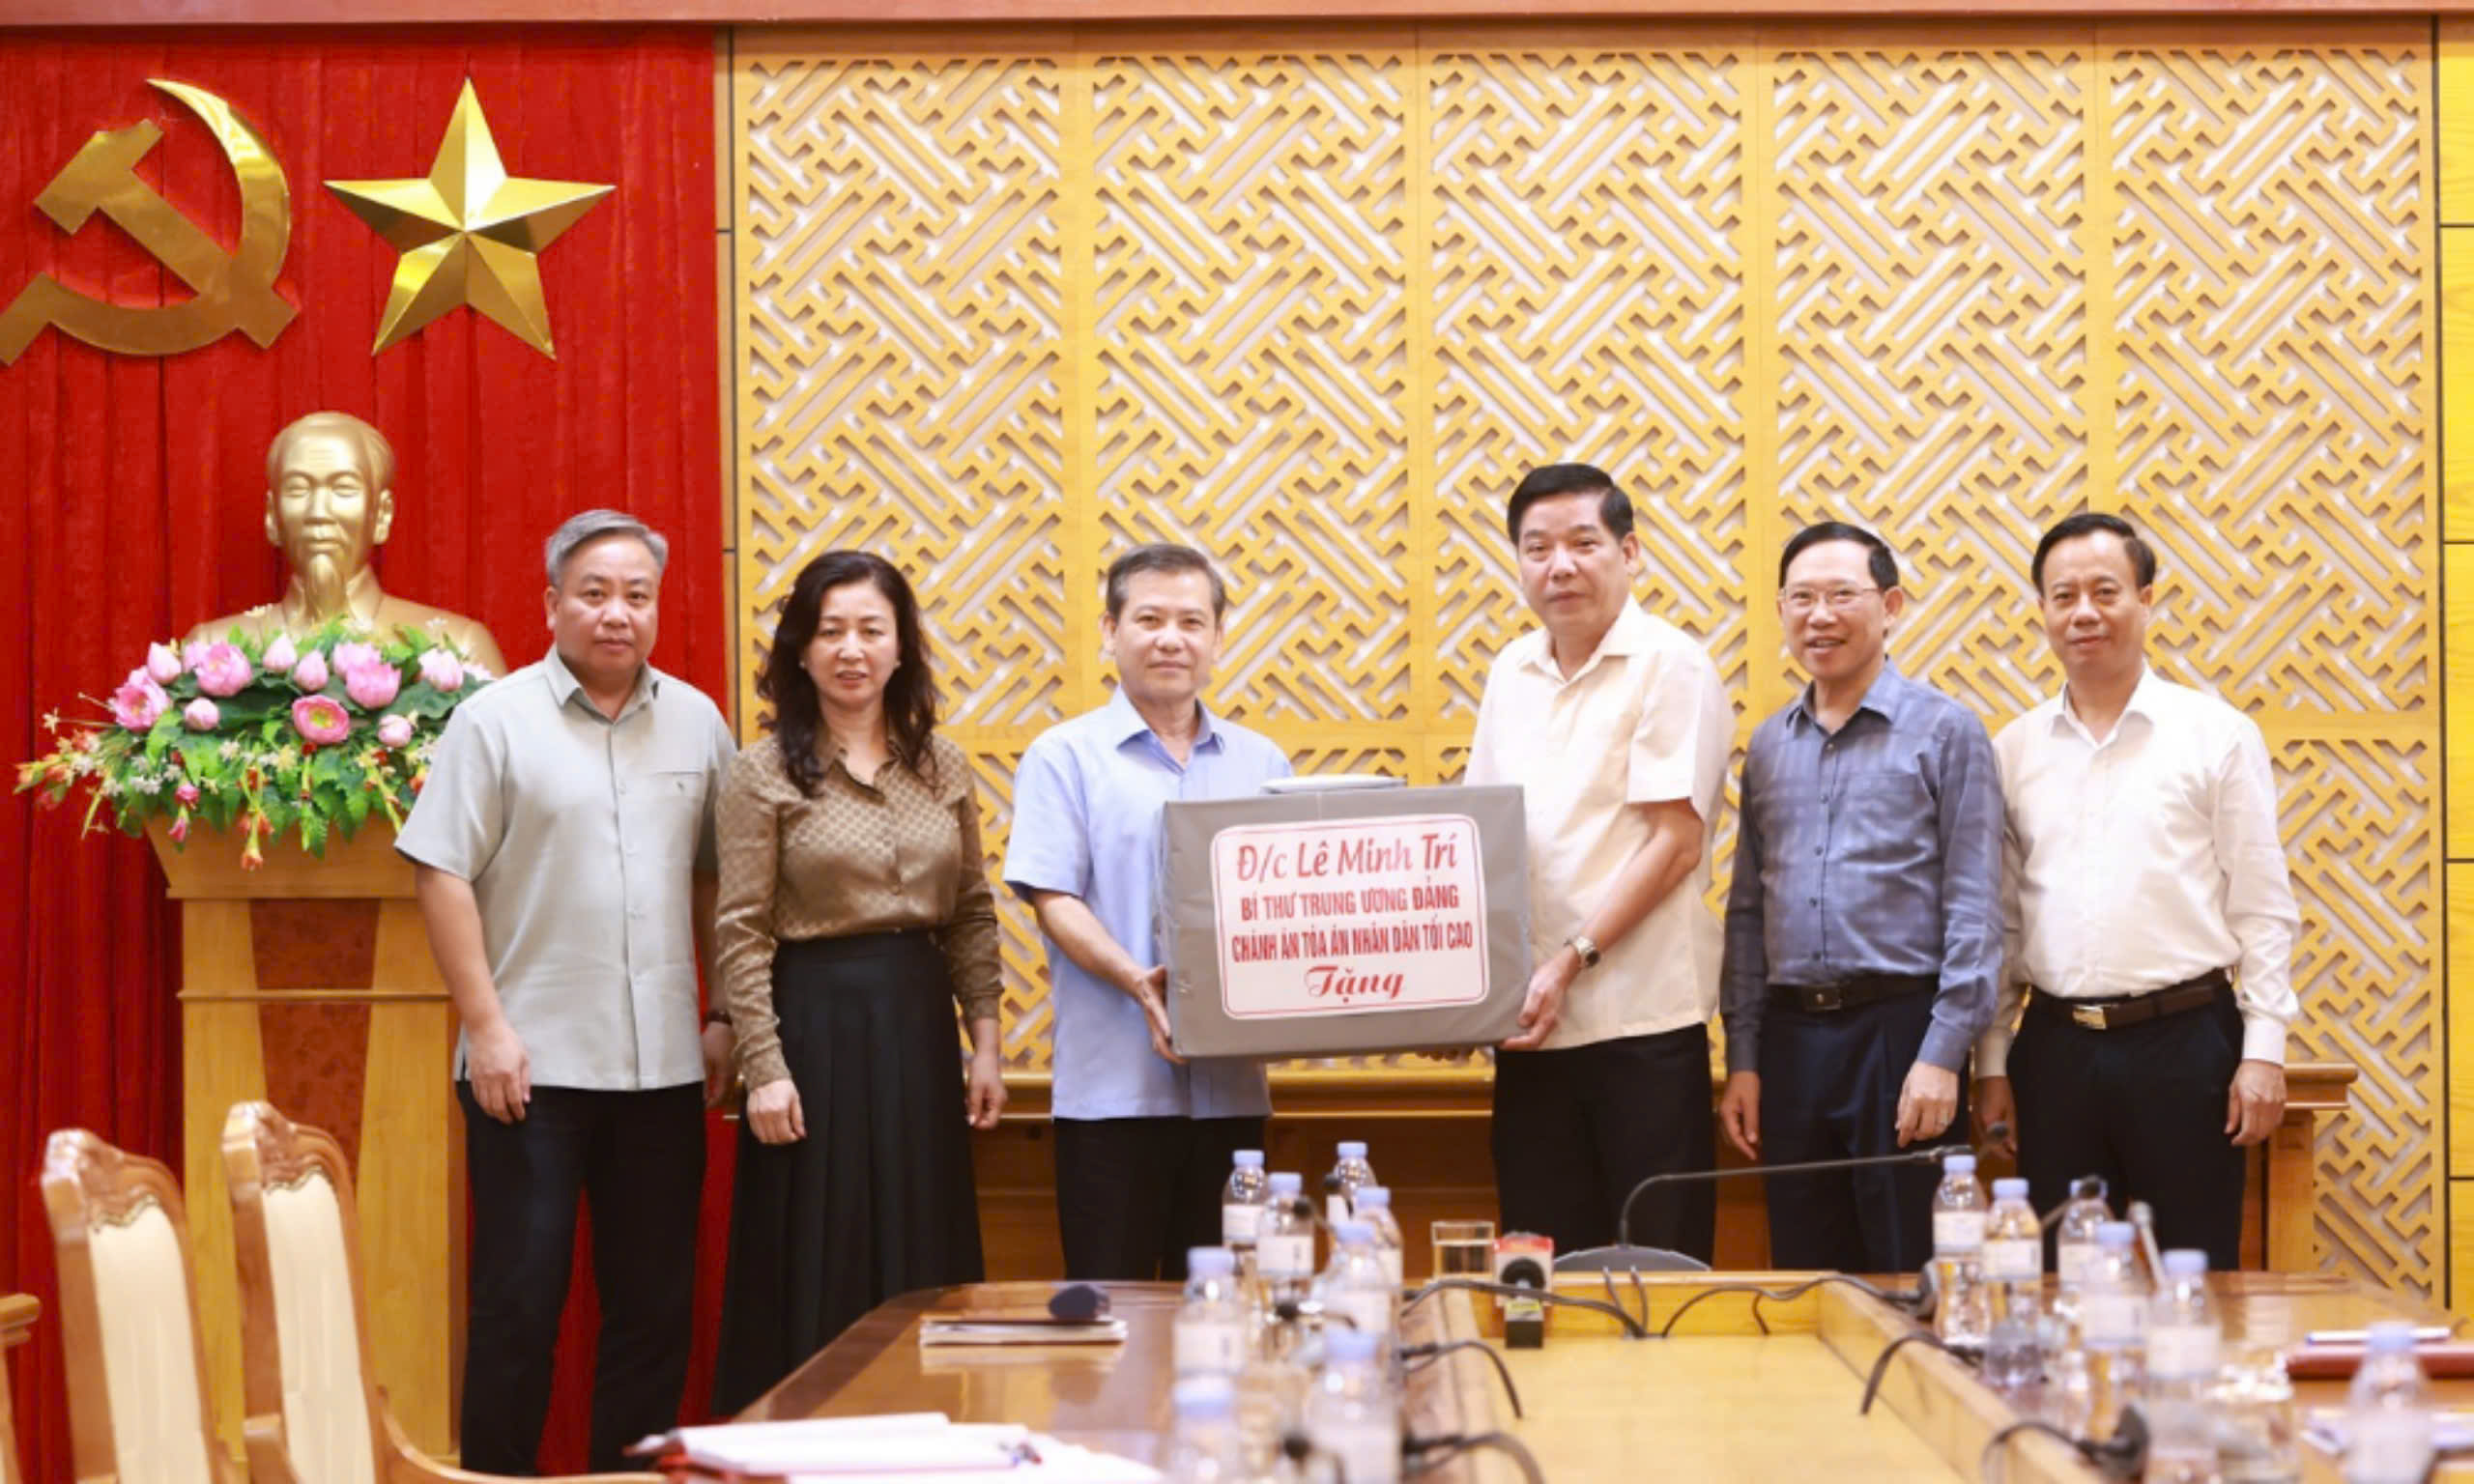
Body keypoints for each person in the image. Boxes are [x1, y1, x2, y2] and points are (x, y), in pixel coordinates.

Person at [396, 509, 734, 1472]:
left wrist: (719, 1015)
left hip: (663, 1069)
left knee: (653, 1313)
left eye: (637, 595)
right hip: (529, 1068)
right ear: (551, 605)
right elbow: (441, 872)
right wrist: (486, 1028)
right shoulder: (492, 720)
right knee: (518, 1307)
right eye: (594, 593)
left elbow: (718, 877)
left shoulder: (699, 723)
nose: (616, 613)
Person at [709, 551, 1005, 1412]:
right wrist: (764, 1069)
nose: (851, 649)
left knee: (921, 1239)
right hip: (815, 1029)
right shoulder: (762, 772)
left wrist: (986, 1044)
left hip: (918, 1027)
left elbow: (972, 913)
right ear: (800, 651)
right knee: (820, 1245)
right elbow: (741, 929)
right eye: (830, 631)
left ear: (900, 647)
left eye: (872, 630)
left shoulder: (942, 765)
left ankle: (926, 1430)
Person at [1973, 512, 2299, 1270]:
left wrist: (2264, 1053)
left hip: (2186, 1045)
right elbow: (2003, 924)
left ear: (2145, 599)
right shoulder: (2014, 749)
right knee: (2059, 1280)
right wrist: (1992, 1061)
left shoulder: (2216, 734)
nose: (2083, 612)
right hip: (2054, 1050)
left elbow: (2263, 907)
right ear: (2043, 611)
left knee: (2194, 1275)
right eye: (2063, 596)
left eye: (2104, 591)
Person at [1002, 543, 1292, 1280]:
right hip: (1112, 1098)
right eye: (1149, 619)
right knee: (1117, 1312)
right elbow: (1052, 898)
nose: (1171, 639)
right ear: (1110, 630)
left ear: (1218, 638)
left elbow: (1287, 914)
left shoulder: (1263, 765)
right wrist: (1140, 982)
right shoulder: (1063, 756)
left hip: (1231, 1096)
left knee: (1232, 1310)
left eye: (1192, 622)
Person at [1716, 522, 2000, 1272]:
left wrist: (1943, 1055)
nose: (1820, 616)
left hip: (1900, 1034)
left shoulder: (1947, 732)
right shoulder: (1769, 745)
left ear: (1891, 605)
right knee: (1807, 1274)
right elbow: (1747, 915)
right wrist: (1744, 1057)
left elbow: (1975, 906)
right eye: (1801, 598)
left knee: (1911, 1270)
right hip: (1791, 1042)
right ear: (1781, 610)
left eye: (1842, 595)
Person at [1466, 463, 1732, 1261]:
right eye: (1537, 548)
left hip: (1639, 1029)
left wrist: (1569, 961)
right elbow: (1479, 841)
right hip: (1532, 1034)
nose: (1561, 566)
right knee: (1538, 1276)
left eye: (1584, 543)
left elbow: (1675, 843)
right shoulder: (1510, 671)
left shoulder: (1670, 664)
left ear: (1630, 551)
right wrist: (1460, 996)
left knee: (1658, 1272)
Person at [188, 410, 508, 672]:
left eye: (343, 488)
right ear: (273, 516)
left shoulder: (455, 649)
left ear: (381, 514)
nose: (318, 513)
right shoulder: (211, 652)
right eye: (298, 489)